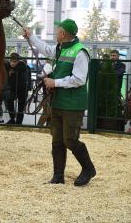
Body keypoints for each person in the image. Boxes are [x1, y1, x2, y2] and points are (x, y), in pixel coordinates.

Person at [23, 18, 96, 187]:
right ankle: (58, 176)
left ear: (63, 34)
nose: (56, 33)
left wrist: (55, 83)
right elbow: (45, 49)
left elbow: (79, 79)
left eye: (57, 31)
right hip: (58, 102)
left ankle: (88, 168)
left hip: (73, 104)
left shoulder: (80, 52)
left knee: (70, 140)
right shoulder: (59, 48)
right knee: (57, 140)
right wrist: (31, 37)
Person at [5, 52, 30, 125]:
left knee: (21, 106)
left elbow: (20, 67)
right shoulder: (8, 65)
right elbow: (4, 64)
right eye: (11, 61)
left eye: (15, 61)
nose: (12, 63)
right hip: (13, 88)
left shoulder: (23, 65)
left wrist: (12, 70)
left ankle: (19, 123)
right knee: (9, 100)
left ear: (18, 61)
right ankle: (12, 119)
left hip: (23, 89)